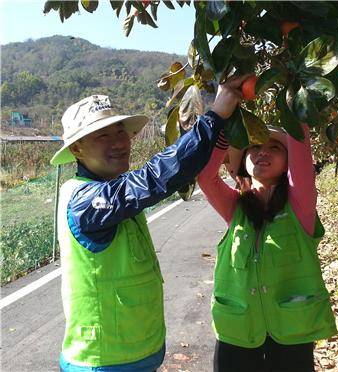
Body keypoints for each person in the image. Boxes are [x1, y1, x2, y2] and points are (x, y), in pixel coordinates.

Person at [51, 76, 245, 371]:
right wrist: (216, 115)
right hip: (103, 361)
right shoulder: (84, 200)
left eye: (121, 131)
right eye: (102, 135)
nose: (119, 142)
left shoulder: (110, 187)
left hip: (136, 354)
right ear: (76, 149)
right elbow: (155, 178)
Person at [197, 119, 338, 371]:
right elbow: (206, 178)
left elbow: (302, 159)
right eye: (253, 147)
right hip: (238, 328)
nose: (262, 151)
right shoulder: (235, 208)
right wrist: (224, 126)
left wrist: (294, 104)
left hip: (291, 328)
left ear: (288, 163)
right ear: (242, 162)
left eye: (274, 148)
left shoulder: (300, 207)